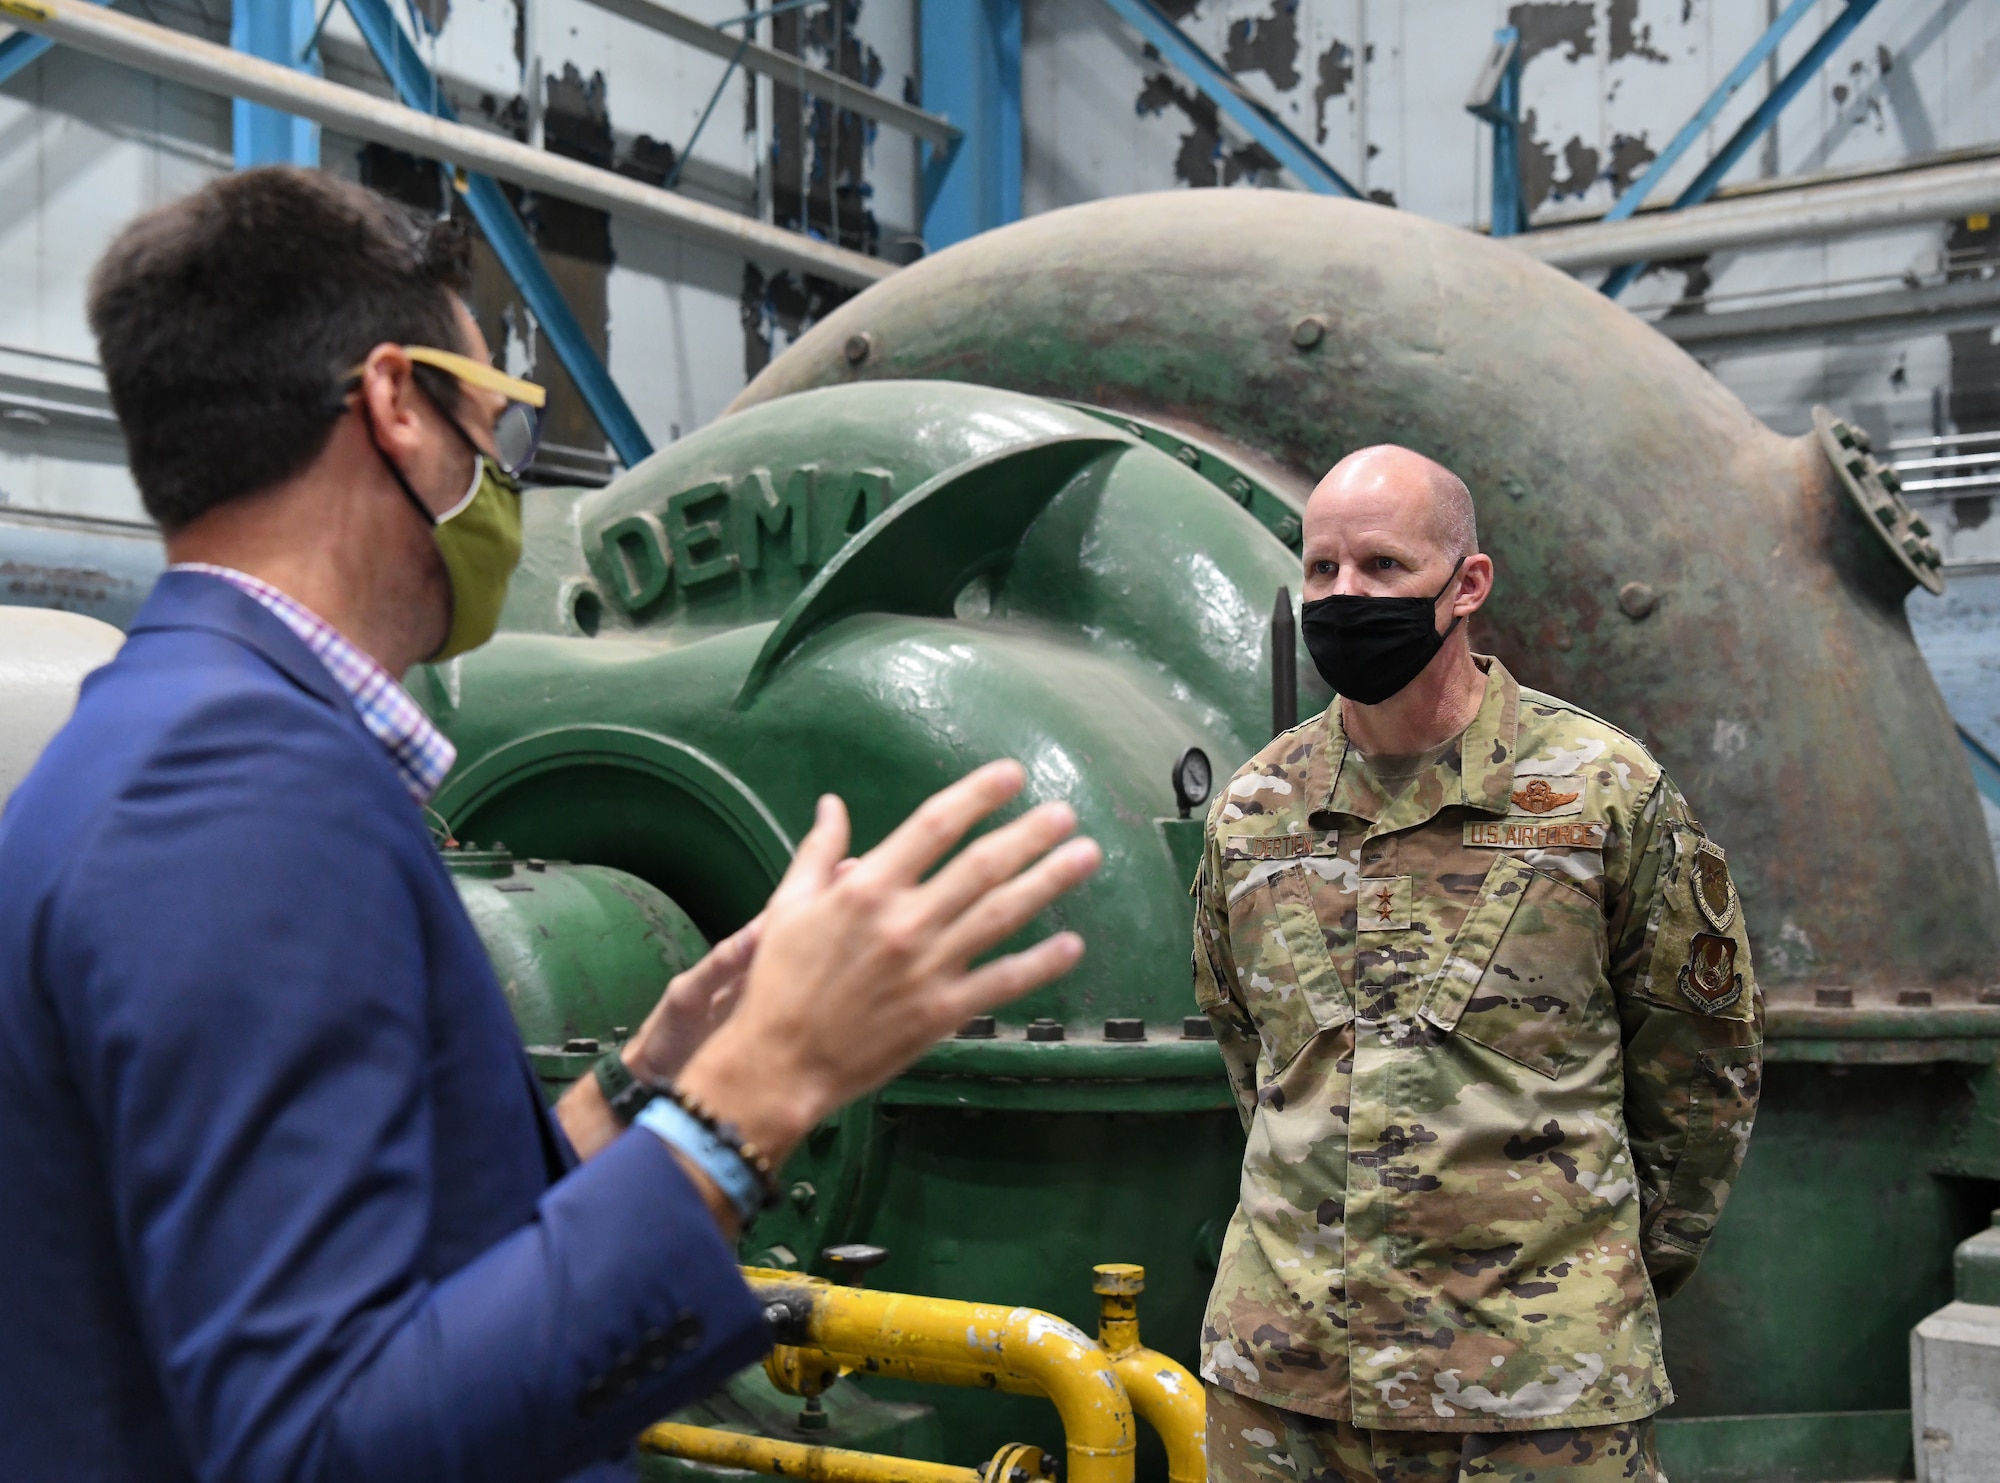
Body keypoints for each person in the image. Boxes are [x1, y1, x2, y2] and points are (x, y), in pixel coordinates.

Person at [0, 167, 1102, 1483]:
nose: (505, 479)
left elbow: (389, 1248)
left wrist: (647, 1085)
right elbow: (324, 1439)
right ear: (397, 405)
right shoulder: (236, 787)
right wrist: (757, 1091)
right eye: (502, 423)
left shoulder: (181, 733)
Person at [1190, 446, 1762, 1483]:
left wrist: (1592, 1278)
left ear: (1465, 585)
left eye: (1380, 567)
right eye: (1321, 570)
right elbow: (1252, 1057)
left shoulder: (1597, 794)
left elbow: (1700, 1075)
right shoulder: (1254, 810)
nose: (1344, 595)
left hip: (1534, 1392)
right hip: (1285, 1385)